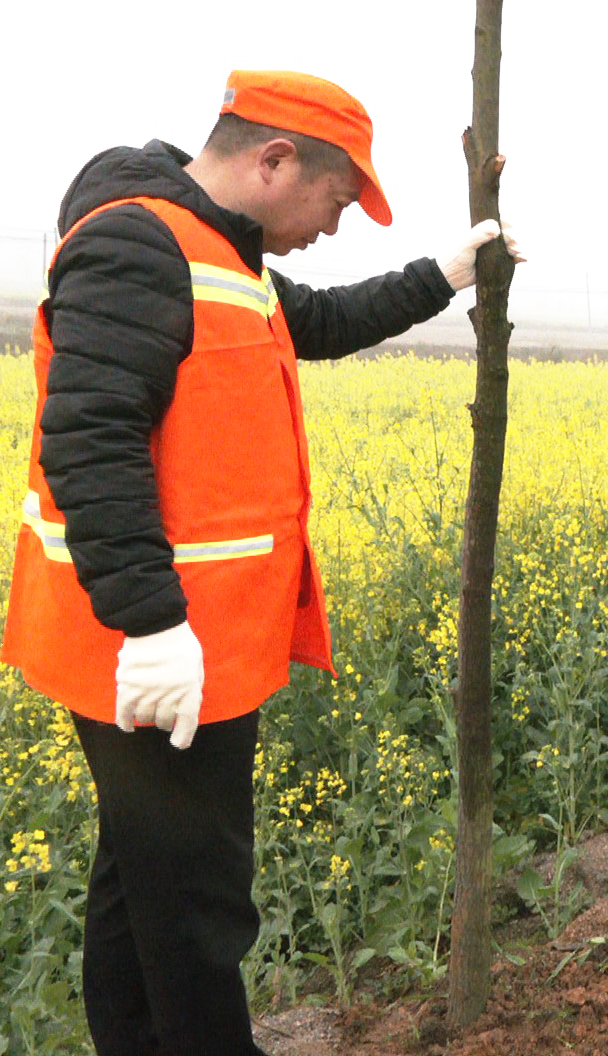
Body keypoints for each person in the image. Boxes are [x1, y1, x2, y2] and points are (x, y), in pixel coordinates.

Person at [1, 70, 521, 1055]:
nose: (333, 225)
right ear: (274, 160)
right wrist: (152, 625)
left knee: (141, 882)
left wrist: (442, 274)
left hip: (185, 642)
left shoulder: (216, 251)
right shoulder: (138, 244)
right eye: (335, 200)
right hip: (149, 644)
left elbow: (314, 322)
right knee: (196, 904)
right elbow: (90, 443)